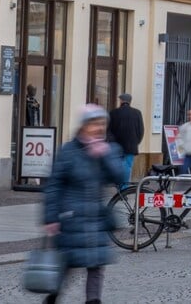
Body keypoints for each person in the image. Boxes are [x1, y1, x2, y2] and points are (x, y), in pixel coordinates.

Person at [43, 104, 125, 304]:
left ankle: (93, 301)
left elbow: (119, 177)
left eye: (102, 124)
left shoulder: (110, 149)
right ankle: (53, 297)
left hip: (96, 218)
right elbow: (54, 185)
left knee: (96, 266)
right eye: (94, 124)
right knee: (68, 263)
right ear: (84, 126)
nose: (99, 128)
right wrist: (51, 217)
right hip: (72, 217)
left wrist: (104, 155)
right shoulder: (69, 151)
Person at [107, 92, 144, 188]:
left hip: (117, 145)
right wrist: (136, 141)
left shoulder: (113, 113)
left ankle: (118, 185)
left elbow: (108, 130)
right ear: (130, 101)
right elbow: (141, 130)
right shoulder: (137, 113)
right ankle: (124, 188)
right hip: (131, 145)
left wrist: (111, 143)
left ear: (121, 101)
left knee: (117, 166)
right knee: (127, 166)